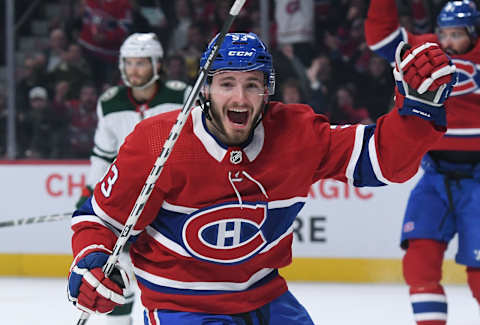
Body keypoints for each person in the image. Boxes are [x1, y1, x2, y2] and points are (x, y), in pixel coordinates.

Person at [67, 32, 456, 324]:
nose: (240, 98)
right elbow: (99, 220)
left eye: (252, 84)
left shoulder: (296, 132)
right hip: (181, 305)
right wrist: (91, 259)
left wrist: (417, 114)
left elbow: (381, 161)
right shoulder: (157, 142)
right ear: (204, 89)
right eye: (226, 84)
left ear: (267, 90)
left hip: (265, 298)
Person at [365, 1, 480, 324]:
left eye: (456, 34)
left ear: (473, 34)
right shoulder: (426, 48)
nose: (447, 41)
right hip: (434, 176)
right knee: (419, 263)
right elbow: (381, 37)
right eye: (444, 33)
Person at [75, 32, 191, 325]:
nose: (134, 70)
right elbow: (102, 154)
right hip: (129, 200)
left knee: (174, 275)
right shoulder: (110, 103)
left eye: (141, 63)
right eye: (129, 63)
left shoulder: (182, 95)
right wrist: (90, 192)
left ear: (157, 64)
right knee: (116, 267)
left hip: (174, 198)